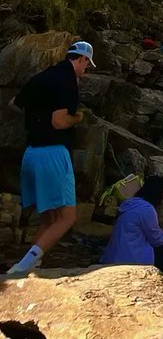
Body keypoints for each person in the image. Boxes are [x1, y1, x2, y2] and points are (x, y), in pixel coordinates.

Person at [6, 40, 95, 275]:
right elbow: (59, 121)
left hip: (31, 153)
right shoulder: (67, 81)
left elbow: (14, 104)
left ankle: (31, 265)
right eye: (87, 64)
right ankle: (21, 268)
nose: (86, 70)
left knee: (49, 218)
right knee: (68, 217)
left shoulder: (42, 77)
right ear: (82, 59)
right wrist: (78, 118)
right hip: (53, 153)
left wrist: (36, 118)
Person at [101, 174, 163, 278]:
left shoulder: (131, 203)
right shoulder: (146, 209)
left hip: (114, 256)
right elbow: (157, 240)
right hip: (130, 260)